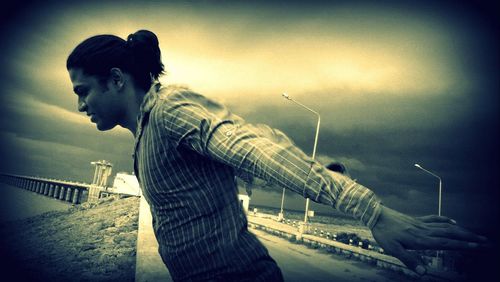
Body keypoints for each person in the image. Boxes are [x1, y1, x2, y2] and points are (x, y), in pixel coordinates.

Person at [66, 30, 488, 281]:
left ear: (116, 79)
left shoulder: (169, 111)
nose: (80, 105)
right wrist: (320, 169)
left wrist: (370, 211)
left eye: (82, 91)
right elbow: (253, 143)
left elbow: (254, 150)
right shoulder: (145, 131)